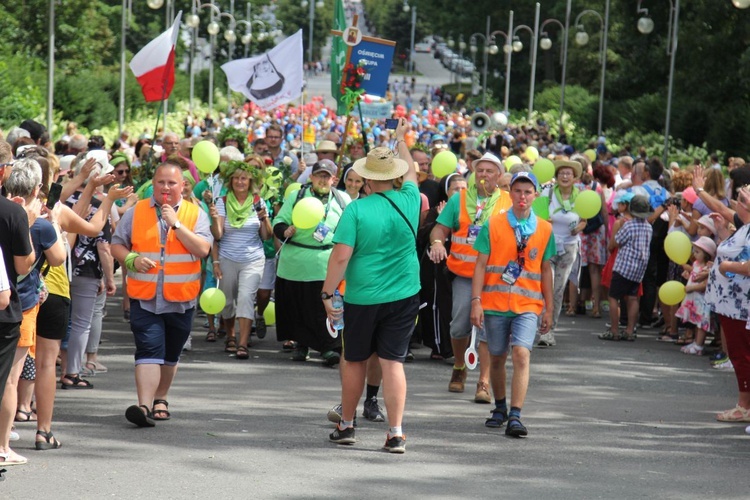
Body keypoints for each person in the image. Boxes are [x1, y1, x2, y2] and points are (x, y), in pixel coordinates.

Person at [322, 127, 419, 454]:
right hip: (405, 293)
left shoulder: (357, 209)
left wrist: (326, 292)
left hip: (363, 296)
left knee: (354, 360)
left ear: (365, 178)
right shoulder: (410, 199)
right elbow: (412, 173)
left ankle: (347, 424)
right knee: (393, 363)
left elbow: (340, 256)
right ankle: (395, 433)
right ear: (395, 177)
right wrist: (402, 140)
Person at [111, 161, 212, 427]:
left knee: (170, 354)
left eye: (171, 183)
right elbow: (117, 245)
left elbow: (203, 249)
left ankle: (161, 398)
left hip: (181, 299)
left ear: (182, 186)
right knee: (148, 349)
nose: (165, 187)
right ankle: (143, 406)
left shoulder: (195, 214)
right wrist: (132, 259)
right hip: (144, 297)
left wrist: (176, 224)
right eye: (160, 182)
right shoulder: (137, 212)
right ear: (153, 184)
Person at [470, 172, 555, 437]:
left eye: (528, 192)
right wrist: (476, 301)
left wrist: (549, 308)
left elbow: (545, 269)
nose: (522, 197)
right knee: (497, 356)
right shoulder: (493, 224)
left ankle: (516, 415)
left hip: (527, 304)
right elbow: (481, 265)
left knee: (521, 354)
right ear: (511, 194)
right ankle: (500, 407)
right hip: (495, 303)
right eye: (517, 191)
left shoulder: (544, 229)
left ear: (535, 195)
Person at [428, 152, 512, 404]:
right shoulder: (460, 199)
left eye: (489, 171)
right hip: (464, 275)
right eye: (480, 171)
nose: (484, 175)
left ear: (499, 175)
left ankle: (483, 382)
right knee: (459, 326)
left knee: (489, 329)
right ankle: (459, 365)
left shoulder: (508, 201)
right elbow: (440, 228)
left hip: (495, 277)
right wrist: (437, 242)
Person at [1, 159, 66, 461]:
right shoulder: (33, 222)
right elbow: (56, 259)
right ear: (36, 189)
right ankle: (5, 443)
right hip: (19, 304)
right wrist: (51, 223)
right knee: (11, 378)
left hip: (17, 302)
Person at [272, 160, 350, 365]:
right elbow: (278, 222)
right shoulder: (297, 196)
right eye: (319, 175)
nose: (323, 180)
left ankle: (330, 347)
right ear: (311, 177)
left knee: (325, 307)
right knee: (299, 304)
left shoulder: (343, 199)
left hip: (326, 262)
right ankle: (301, 344)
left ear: (334, 178)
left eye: (327, 176)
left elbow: (351, 227)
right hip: (296, 262)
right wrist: (284, 230)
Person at [210, 156, 271, 359]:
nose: (240, 182)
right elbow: (217, 236)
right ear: (230, 181)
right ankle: (230, 335)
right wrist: (214, 218)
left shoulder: (258, 202)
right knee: (227, 301)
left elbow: (266, 236)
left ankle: (243, 343)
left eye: (244, 178)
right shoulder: (222, 202)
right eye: (236, 178)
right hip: (227, 257)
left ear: (250, 181)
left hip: (253, 258)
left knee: (246, 297)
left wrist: (264, 219)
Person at [0, 140, 36, 467]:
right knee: (5, 380)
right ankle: (1, 448)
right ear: (3, 171)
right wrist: (30, 219)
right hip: (4, 308)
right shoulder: (13, 212)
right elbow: (24, 266)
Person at [540, 159, 585, 346]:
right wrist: (545, 221)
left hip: (569, 247)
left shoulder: (581, 197)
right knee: (546, 287)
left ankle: (549, 330)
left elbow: (585, 220)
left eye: (569, 174)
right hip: (548, 245)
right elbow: (537, 214)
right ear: (556, 177)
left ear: (574, 178)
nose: (565, 176)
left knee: (558, 290)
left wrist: (579, 228)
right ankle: (539, 327)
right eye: (561, 173)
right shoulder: (547, 192)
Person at [599, 194, 653, 341]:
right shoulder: (649, 227)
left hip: (624, 266)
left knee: (613, 297)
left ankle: (614, 330)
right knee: (633, 298)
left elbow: (616, 241)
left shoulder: (628, 225)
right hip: (639, 269)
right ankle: (630, 330)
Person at [675, 236, 715, 356]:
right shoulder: (696, 264)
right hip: (694, 300)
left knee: (701, 324)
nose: (694, 254)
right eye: (694, 250)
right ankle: (696, 343)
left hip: (702, 300)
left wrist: (691, 287)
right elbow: (694, 277)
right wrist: (689, 277)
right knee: (696, 322)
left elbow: (704, 285)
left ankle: (699, 345)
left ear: (707, 254)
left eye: (698, 252)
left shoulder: (707, 268)